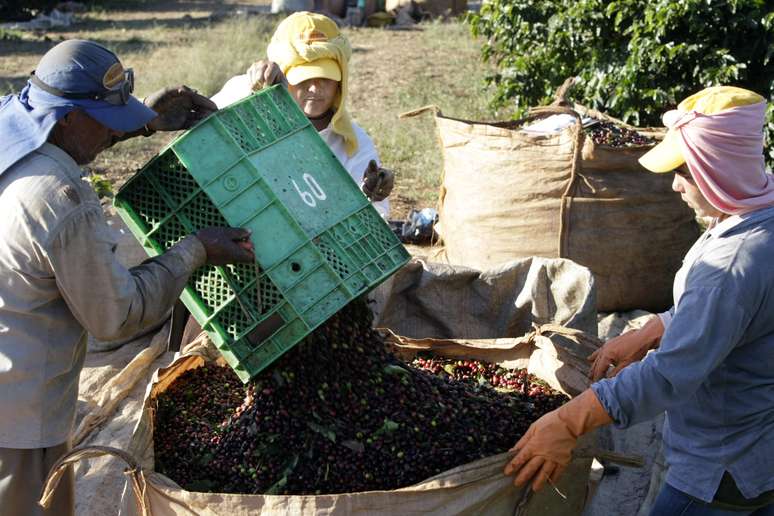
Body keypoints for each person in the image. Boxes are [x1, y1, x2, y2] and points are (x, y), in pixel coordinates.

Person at [0, 39, 256, 516]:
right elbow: (118, 317)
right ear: (69, 118)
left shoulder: (9, 121)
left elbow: (70, 133)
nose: (109, 134)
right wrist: (196, 250)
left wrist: (142, 122)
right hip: (17, 422)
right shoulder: (62, 200)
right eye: (106, 121)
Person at [503, 86, 774, 515]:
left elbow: (668, 377)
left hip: (718, 468)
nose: (674, 185)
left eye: (684, 173)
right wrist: (659, 325)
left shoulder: (731, 263)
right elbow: (744, 312)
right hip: (759, 450)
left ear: (715, 169)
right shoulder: (759, 210)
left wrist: (567, 422)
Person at [210, 11, 394, 216]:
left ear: (340, 84)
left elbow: (377, 218)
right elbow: (205, 131)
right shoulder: (246, 97)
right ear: (283, 78)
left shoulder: (354, 145)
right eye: (303, 79)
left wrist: (370, 195)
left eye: (325, 78)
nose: (315, 90)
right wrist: (251, 89)